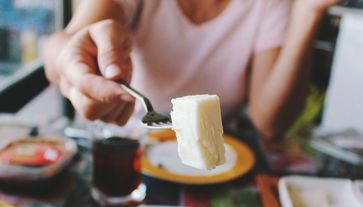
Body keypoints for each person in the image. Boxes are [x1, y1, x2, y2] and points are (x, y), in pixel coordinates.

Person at [44, 0, 339, 140]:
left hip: (217, 165)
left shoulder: (267, 5)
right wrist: (69, 66)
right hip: (126, 153)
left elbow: (269, 123)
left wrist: (308, 12)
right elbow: (67, 43)